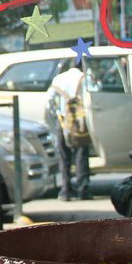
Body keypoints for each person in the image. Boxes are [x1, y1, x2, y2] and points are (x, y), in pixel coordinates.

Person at [46, 64, 91, 200]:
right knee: (81, 155)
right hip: (80, 122)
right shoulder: (84, 78)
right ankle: (82, 190)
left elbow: (49, 100)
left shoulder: (58, 79)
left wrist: (55, 114)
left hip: (63, 121)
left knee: (64, 156)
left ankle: (65, 191)